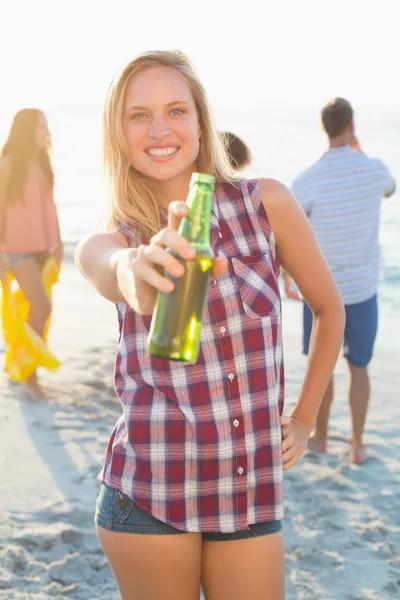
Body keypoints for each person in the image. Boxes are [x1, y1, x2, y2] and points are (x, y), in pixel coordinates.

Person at [75, 50, 344, 600]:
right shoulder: (114, 238)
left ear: (201, 121)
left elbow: (329, 309)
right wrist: (138, 271)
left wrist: (304, 418)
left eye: (176, 110)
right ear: (117, 132)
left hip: (249, 491)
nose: (159, 129)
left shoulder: (266, 203)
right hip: (150, 492)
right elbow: (112, 269)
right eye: (138, 115)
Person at [287, 97, 396, 465]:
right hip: (362, 291)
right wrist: (358, 148)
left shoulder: (307, 179)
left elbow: (286, 234)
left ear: (324, 128)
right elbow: (390, 189)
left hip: (319, 294)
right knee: (359, 366)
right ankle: (357, 444)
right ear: (351, 126)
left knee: (323, 364)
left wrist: (288, 275)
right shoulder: (374, 169)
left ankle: (318, 441)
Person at [0, 109, 63, 400]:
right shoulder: (7, 164)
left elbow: (49, 206)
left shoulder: (42, 162)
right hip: (16, 251)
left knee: (32, 310)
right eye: (41, 127)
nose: (46, 132)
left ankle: (19, 364)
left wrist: (58, 243)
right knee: (41, 308)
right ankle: (29, 374)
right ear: (26, 131)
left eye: (46, 127)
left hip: (42, 250)